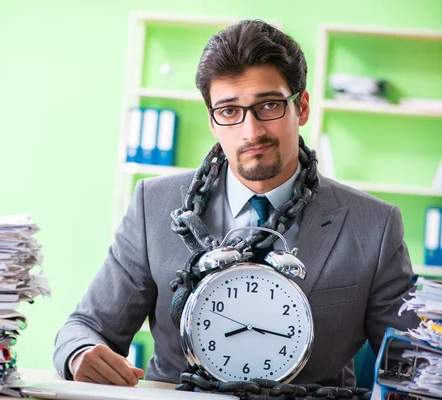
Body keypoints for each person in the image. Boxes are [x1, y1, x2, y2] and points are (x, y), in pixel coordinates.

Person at [53, 19, 419, 388]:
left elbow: (414, 363)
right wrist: (80, 353)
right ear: (213, 121)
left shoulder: (374, 225)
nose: (252, 131)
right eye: (229, 111)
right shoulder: (154, 205)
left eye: (269, 105)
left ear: (301, 108)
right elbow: (85, 327)